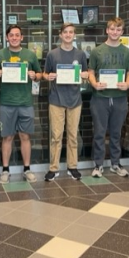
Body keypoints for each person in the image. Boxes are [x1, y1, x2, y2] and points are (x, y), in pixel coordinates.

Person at [0, 24, 42, 184]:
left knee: (25, 136)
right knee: (7, 137)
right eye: (11, 35)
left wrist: (34, 75)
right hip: (7, 103)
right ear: (6, 37)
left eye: (17, 35)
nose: (14, 38)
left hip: (25, 102)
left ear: (22, 37)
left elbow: (40, 74)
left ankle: (27, 169)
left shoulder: (30, 55)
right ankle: (5, 170)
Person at [88, 17, 129, 178]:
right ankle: (98, 165)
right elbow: (90, 72)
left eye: (118, 29)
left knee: (116, 133)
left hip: (120, 98)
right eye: (112, 29)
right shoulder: (97, 51)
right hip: (100, 97)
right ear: (107, 30)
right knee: (99, 133)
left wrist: (128, 84)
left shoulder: (127, 52)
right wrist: (94, 84)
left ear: (122, 32)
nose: (115, 32)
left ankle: (115, 164)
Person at [43, 22, 88, 181]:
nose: (68, 35)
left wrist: (85, 75)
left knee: (73, 135)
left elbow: (85, 74)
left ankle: (72, 166)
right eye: (65, 32)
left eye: (71, 32)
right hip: (56, 99)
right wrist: (47, 77)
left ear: (74, 35)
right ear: (60, 35)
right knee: (56, 136)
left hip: (75, 100)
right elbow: (45, 74)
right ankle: (53, 168)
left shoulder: (80, 54)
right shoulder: (52, 54)